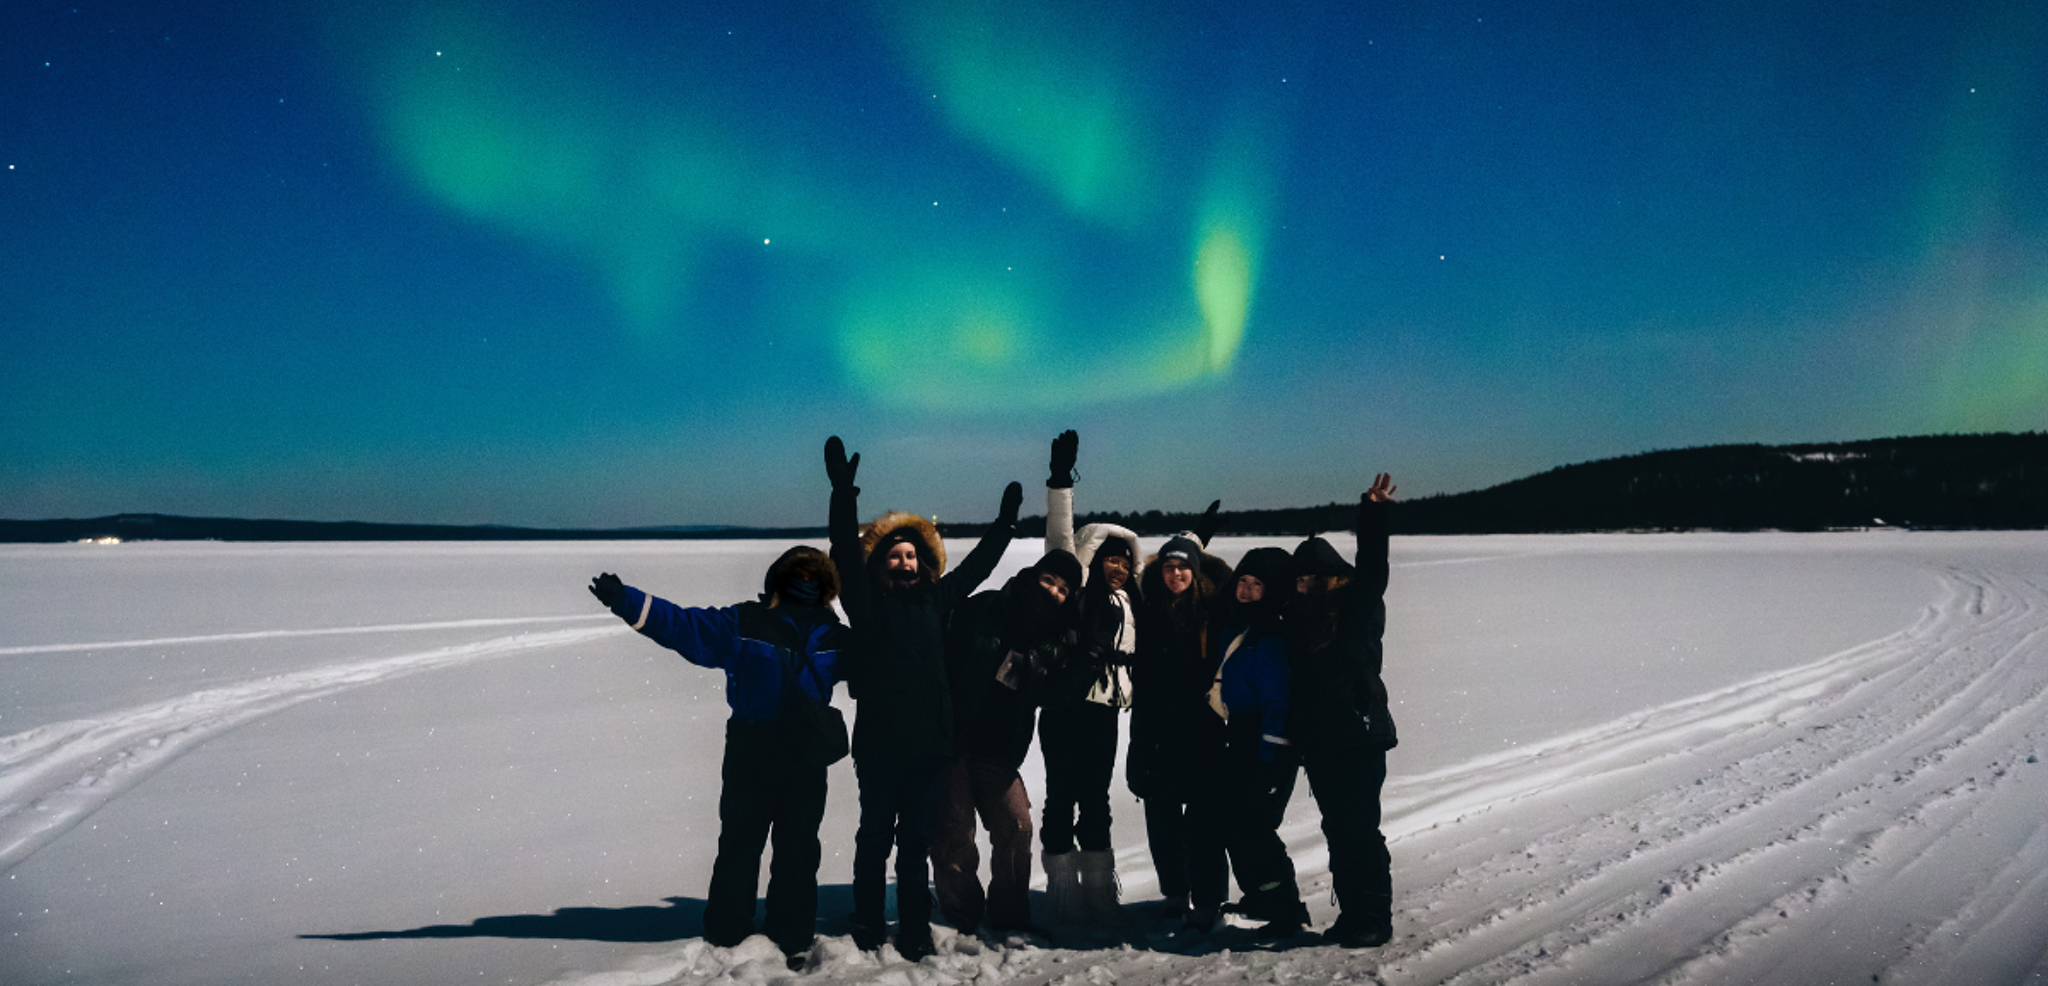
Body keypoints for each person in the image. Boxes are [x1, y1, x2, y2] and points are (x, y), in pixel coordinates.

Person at [585, 547, 846, 964]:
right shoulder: (745, 621)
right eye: (797, 572)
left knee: (798, 848)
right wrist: (627, 600)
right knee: (740, 844)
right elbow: (686, 626)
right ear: (777, 579)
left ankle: (792, 932)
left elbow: (885, 665)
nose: (805, 581)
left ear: (827, 585)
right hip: (751, 748)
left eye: (815, 575)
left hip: (806, 755)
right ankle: (727, 932)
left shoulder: (835, 635)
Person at [824, 436, 1021, 961]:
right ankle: (867, 919)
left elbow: (976, 569)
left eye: (913, 555)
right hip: (882, 748)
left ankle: (912, 926)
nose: (906, 562)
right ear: (881, 563)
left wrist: (1004, 527)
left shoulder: (936, 601)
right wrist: (843, 494)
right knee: (873, 839)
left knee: (914, 845)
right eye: (896, 554)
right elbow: (844, 548)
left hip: (931, 749)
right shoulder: (866, 606)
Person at [929, 548, 1093, 937]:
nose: (1054, 591)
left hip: (1000, 749)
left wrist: (1087, 661)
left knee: (1016, 827)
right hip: (954, 741)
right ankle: (961, 914)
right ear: (1033, 576)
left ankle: (1009, 915)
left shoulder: (1057, 639)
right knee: (955, 832)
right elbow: (941, 656)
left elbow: (1055, 695)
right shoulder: (984, 609)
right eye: (1049, 580)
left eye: (1064, 589)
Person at [1288, 473, 1399, 948]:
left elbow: (1372, 566)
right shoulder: (1296, 624)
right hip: (1321, 742)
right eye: (1300, 579)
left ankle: (1374, 915)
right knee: (1338, 829)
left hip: (1358, 732)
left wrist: (1373, 514)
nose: (1308, 585)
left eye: (1317, 577)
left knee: (1360, 830)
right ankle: (1354, 912)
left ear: (1335, 577)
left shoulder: (1357, 607)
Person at [1037, 430, 1143, 929]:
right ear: (1095, 562)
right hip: (1065, 708)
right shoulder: (1079, 592)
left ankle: (1100, 893)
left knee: (1096, 799)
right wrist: (1061, 483)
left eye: (1125, 562)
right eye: (1110, 560)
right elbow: (1061, 539)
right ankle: (1061, 891)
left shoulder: (1132, 603)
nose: (1118, 568)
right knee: (1060, 795)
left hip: (1104, 714)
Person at [1125, 510, 1232, 931]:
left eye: (1184, 567)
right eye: (1169, 566)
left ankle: (1207, 901)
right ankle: (1175, 893)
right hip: (1155, 729)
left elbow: (1226, 582)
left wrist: (1197, 543)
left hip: (1204, 731)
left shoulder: (1210, 609)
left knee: (1204, 823)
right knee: (1163, 820)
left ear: (1195, 570)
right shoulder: (1147, 608)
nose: (1176, 574)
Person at [1208, 546, 1308, 939]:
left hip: (1266, 740)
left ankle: (1286, 910)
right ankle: (1260, 896)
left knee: (1255, 825)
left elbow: (1277, 702)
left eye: (1257, 585)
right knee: (1238, 822)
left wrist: (1269, 756)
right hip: (1240, 734)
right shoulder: (1236, 625)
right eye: (1242, 582)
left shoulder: (1270, 635)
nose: (1246, 591)